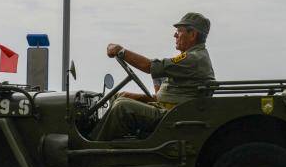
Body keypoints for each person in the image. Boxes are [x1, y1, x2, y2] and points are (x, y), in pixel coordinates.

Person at [91, 13, 215, 141]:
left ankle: (91, 147)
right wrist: (140, 97)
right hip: (172, 112)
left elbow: (149, 66)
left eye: (179, 31)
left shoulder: (193, 58)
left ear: (192, 34)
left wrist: (121, 52)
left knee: (122, 107)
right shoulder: (196, 56)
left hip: (171, 116)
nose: (175, 35)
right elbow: (175, 96)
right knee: (120, 98)